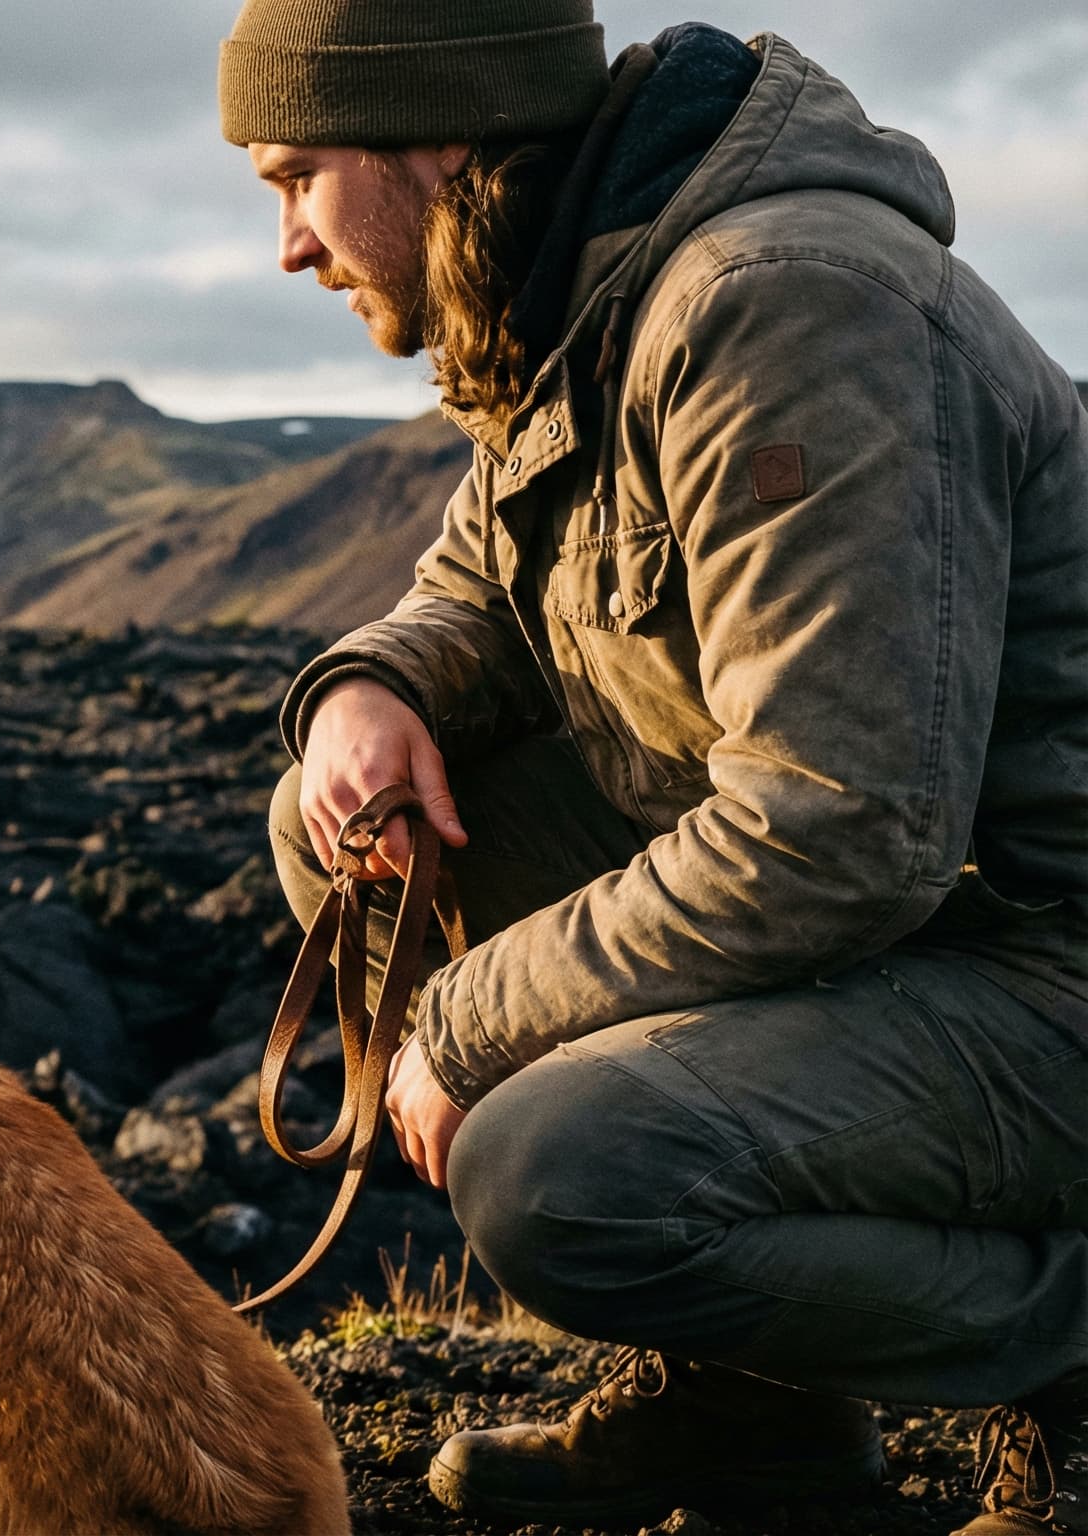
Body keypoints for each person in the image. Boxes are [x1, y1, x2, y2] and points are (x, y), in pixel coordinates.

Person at [218, 1, 1088, 1531]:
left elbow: (839, 830)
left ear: (439, 136)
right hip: (904, 926)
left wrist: (464, 1021)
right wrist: (368, 687)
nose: (289, 245)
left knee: (560, 1173)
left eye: (298, 176)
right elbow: (478, 589)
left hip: (1037, 961)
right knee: (342, 830)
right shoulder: (581, 287)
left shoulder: (782, 308)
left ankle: (1070, 1349)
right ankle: (755, 1420)